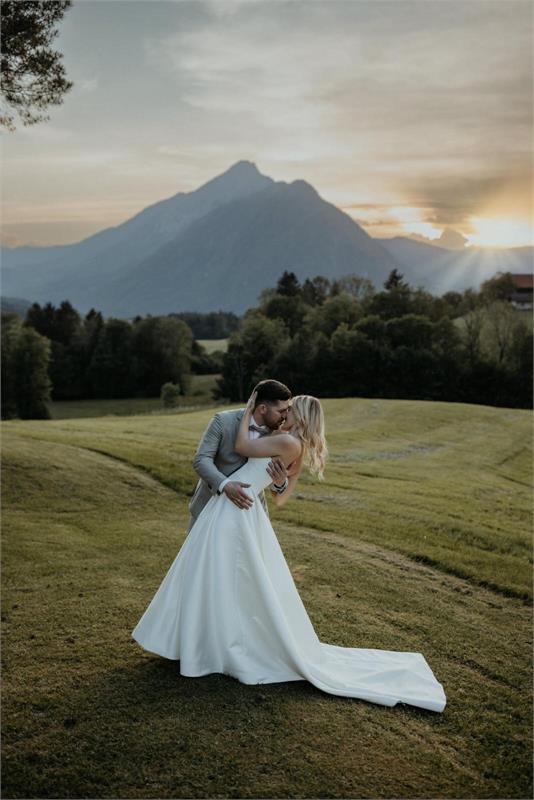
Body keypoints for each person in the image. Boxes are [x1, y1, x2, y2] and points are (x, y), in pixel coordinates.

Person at [131, 390, 446, 713]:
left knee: (224, 576)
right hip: (224, 506)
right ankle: (203, 642)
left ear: (299, 415)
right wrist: (272, 473)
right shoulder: (279, 436)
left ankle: (218, 647)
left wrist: (254, 425)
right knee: (211, 574)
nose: (284, 414)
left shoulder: (286, 442)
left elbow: (249, 456)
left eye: (289, 410)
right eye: (282, 408)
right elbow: (221, 463)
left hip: (238, 511)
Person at [187, 379, 294, 532]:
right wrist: (225, 485)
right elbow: (201, 460)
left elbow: (267, 477)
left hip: (250, 516)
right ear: (263, 408)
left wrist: (280, 482)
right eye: (281, 411)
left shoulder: (280, 436)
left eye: (287, 410)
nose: (285, 416)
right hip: (208, 509)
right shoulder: (222, 421)